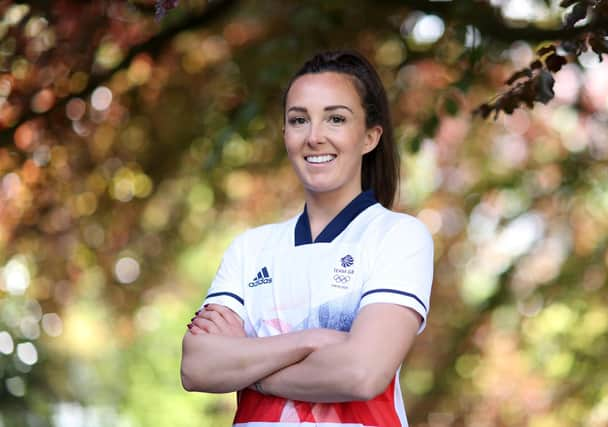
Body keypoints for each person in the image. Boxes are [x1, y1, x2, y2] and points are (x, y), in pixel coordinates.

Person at [180, 50, 434, 427]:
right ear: (285, 134)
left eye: (335, 119)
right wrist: (312, 340)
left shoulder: (398, 236)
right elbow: (197, 367)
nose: (314, 137)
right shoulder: (250, 249)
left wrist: (247, 365)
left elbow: (361, 373)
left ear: (369, 136)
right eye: (299, 120)